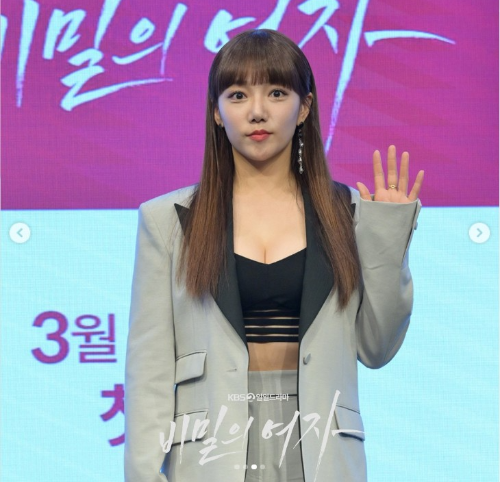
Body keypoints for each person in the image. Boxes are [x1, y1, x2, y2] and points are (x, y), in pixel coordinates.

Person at [124, 29, 424, 482]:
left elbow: (376, 347)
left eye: (277, 93)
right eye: (238, 95)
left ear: (304, 108)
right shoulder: (167, 219)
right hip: (212, 450)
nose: (257, 111)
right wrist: (144, 475)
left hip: (320, 448)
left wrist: (387, 232)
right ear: (217, 112)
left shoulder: (348, 214)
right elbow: (149, 370)